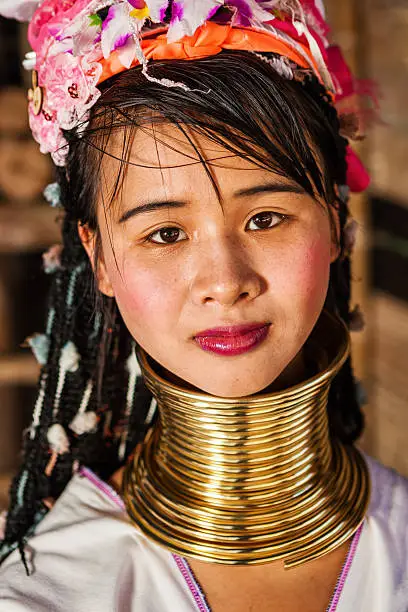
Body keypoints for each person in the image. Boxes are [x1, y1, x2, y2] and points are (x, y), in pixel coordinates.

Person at [0, 1, 406, 610]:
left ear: (335, 223)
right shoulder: (48, 592)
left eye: (266, 219)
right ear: (100, 258)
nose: (226, 283)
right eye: (165, 234)